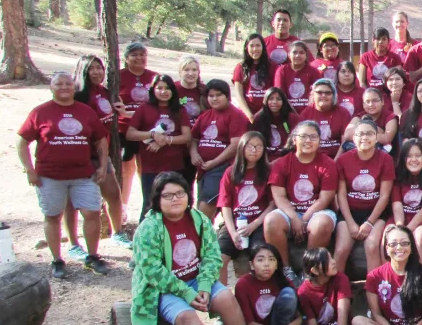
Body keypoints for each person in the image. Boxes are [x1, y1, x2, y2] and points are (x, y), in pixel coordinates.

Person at [130, 172, 271, 325]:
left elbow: (212, 256)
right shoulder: (148, 228)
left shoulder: (198, 219)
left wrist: (204, 285)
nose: (175, 199)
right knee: (186, 316)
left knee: (226, 298)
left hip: (197, 279)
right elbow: (152, 271)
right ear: (157, 200)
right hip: (162, 288)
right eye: (168, 196)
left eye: (180, 193)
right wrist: (185, 292)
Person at [17, 71, 111, 278]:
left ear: (73, 87)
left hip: (83, 174)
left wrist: (102, 166)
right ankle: (57, 260)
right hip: (49, 175)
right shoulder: (40, 112)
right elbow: (22, 141)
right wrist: (29, 169)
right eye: (58, 84)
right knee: (52, 216)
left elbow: (100, 139)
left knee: (92, 213)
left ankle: (93, 256)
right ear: (51, 88)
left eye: (68, 83)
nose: (64, 87)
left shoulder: (85, 111)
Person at [265, 120, 338, 281]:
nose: (308, 141)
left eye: (313, 137)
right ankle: (285, 270)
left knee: (321, 224)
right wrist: (293, 217)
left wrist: (304, 219)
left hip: (318, 211)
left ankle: (308, 271)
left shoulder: (328, 164)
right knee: (271, 221)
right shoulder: (283, 163)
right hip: (289, 210)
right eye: (303, 136)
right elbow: (279, 196)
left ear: (319, 140)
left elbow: (325, 197)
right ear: (294, 139)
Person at [70, 54, 129, 249]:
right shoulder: (77, 96)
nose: (96, 72)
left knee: (113, 193)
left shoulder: (106, 92)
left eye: (99, 67)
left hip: (102, 154)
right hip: (81, 155)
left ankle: (118, 232)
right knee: (74, 203)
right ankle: (74, 242)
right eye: (91, 68)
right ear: (83, 71)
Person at [280, 247, 369, 325]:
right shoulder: (304, 291)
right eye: (328, 260)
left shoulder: (341, 279)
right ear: (315, 270)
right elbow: (311, 321)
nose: (333, 261)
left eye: (331, 257)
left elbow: (343, 310)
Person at [126, 74, 192, 220]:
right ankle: (144, 239)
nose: (163, 91)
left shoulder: (179, 110)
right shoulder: (144, 108)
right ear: (153, 90)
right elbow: (130, 134)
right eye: (159, 88)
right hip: (151, 167)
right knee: (150, 204)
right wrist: (152, 135)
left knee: (176, 204)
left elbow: (187, 136)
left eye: (167, 88)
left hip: (175, 165)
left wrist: (165, 140)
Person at [334, 120, 395, 275]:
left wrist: (369, 222)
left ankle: (373, 292)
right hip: (350, 211)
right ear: (353, 138)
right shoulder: (343, 160)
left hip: (375, 212)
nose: (365, 137)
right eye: (360, 134)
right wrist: (350, 222)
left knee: (372, 245)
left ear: (376, 138)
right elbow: (341, 194)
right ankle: (336, 291)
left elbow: (384, 195)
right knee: (341, 249)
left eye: (369, 134)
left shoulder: (385, 159)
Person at [217, 131, 274, 284]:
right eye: (250, 146)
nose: (254, 150)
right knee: (219, 259)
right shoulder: (231, 172)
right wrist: (232, 231)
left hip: (258, 223)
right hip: (234, 224)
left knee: (260, 257)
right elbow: (225, 205)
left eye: (259, 146)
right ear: (242, 148)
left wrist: (254, 224)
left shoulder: (268, 172)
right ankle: (223, 299)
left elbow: (272, 203)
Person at [189, 80, 250, 220]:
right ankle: (206, 240)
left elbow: (236, 145)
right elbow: (194, 139)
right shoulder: (205, 115)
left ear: (227, 96)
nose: (214, 98)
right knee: (202, 206)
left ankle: (204, 238)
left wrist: (214, 162)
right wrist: (194, 153)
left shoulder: (235, 115)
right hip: (203, 169)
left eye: (218, 95)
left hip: (222, 168)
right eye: (211, 96)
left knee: (206, 207)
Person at [234, 243, 302, 325]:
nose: (266, 264)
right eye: (260, 260)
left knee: (289, 293)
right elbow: (249, 324)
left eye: (271, 259)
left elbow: (299, 318)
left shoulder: (282, 280)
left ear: (277, 265)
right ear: (251, 265)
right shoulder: (243, 284)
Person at [113, 41, 156, 211]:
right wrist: (125, 114)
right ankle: (121, 208)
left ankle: (148, 207)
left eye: (142, 54)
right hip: (124, 129)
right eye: (134, 55)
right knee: (126, 169)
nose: (139, 58)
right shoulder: (118, 76)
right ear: (126, 58)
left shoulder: (154, 77)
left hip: (148, 130)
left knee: (145, 169)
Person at [391, 138, 422, 260]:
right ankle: (390, 275)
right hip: (400, 217)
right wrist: (400, 227)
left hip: (421, 219)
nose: (413, 160)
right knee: (389, 235)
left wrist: (409, 229)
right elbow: (397, 206)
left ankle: (420, 276)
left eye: (418, 156)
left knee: (420, 237)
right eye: (409, 156)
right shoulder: (397, 175)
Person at [298, 78, 352, 160]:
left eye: (328, 93)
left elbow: (345, 142)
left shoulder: (343, 113)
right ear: (313, 95)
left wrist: (335, 162)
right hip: (313, 159)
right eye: (319, 92)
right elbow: (302, 142)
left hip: (337, 158)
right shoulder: (306, 114)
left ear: (333, 95)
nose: (323, 95)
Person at [250, 87, 299, 162]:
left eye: (278, 99)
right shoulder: (259, 119)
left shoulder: (291, 118)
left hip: (286, 160)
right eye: (271, 99)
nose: (274, 102)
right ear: (265, 101)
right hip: (263, 160)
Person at [233, 34, 273, 120]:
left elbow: (273, 93)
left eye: (258, 45)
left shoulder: (272, 67)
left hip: (266, 113)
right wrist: (249, 115)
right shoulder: (240, 67)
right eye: (251, 46)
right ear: (246, 48)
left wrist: (261, 113)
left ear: (263, 47)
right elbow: (239, 94)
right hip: (246, 114)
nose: (255, 49)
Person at [274, 40, 321, 111]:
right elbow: (280, 94)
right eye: (294, 52)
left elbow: (317, 94)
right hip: (287, 112)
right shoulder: (282, 70)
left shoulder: (314, 72)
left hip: (309, 112)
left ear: (306, 55)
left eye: (301, 53)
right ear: (289, 54)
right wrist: (293, 113)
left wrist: (306, 113)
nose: (297, 55)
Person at [358, 87, 399, 151]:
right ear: (363, 104)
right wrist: (378, 132)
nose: (371, 104)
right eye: (367, 101)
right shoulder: (360, 116)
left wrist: (363, 132)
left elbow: (387, 139)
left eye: (375, 101)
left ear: (382, 101)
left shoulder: (390, 116)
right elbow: (348, 135)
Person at [175, 56, 206, 125]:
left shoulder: (205, 90)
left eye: (194, 70)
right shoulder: (172, 88)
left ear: (198, 72)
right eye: (186, 70)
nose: (191, 73)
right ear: (180, 72)